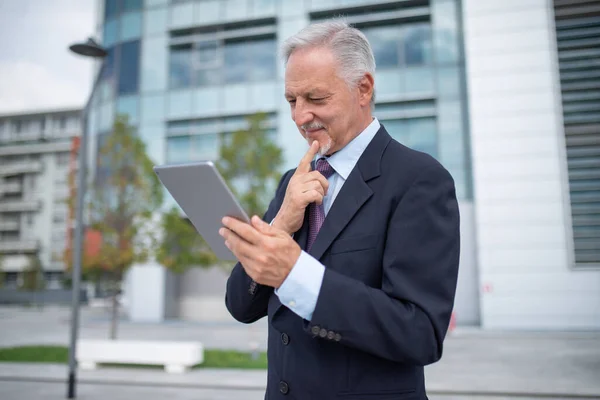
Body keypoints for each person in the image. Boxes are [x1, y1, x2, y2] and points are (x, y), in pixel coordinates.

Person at [220, 19, 460, 400]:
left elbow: (420, 334)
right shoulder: (291, 182)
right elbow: (240, 305)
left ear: (363, 88)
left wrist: (296, 273)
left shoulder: (419, 180)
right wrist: (280, 224)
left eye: (315, 99)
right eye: (291, 101)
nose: (300, 117)